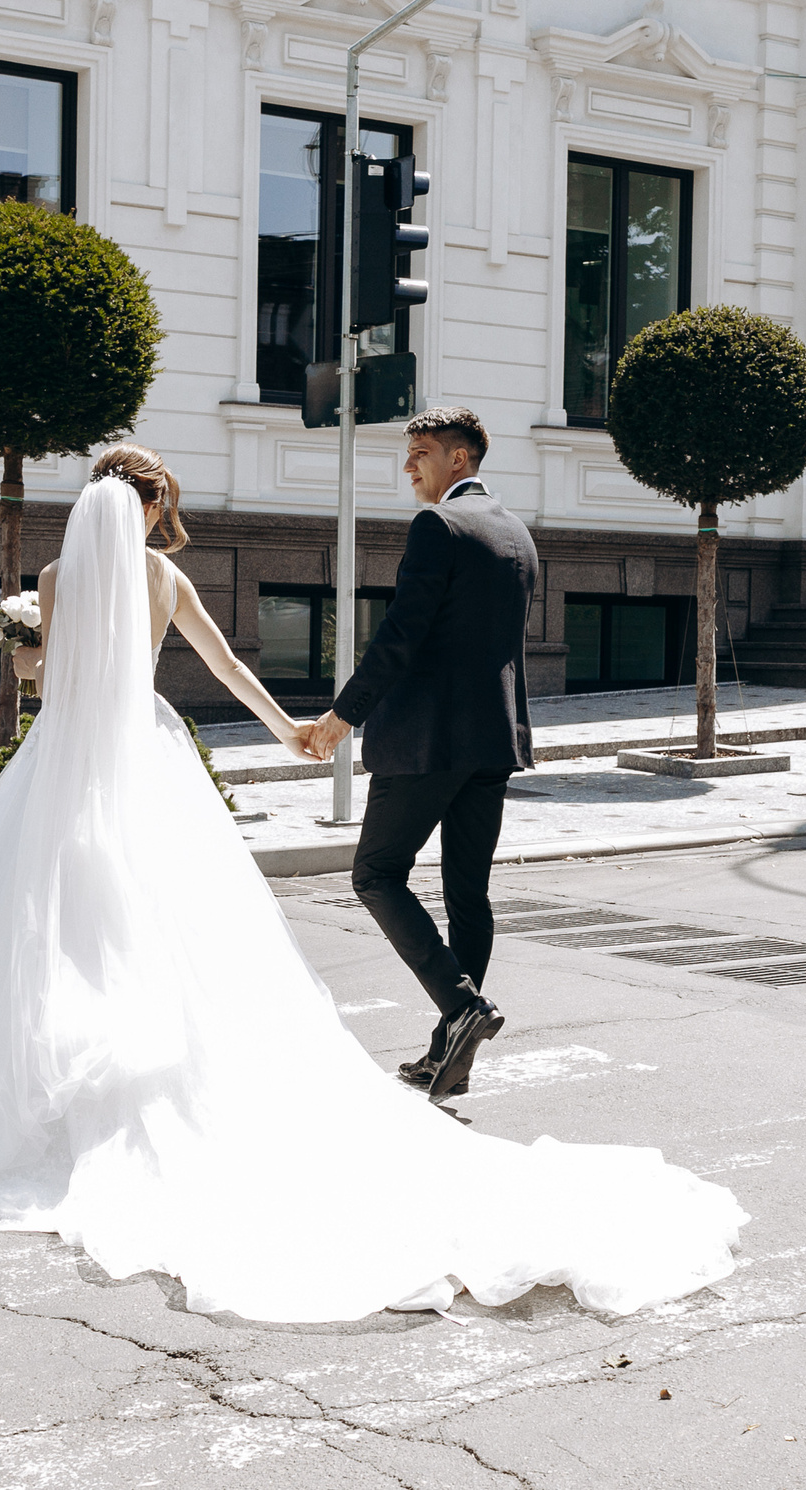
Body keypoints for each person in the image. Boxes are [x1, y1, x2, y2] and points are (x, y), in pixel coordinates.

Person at [0, 443, 744, 1325]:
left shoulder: (51, 580)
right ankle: (173, 1077)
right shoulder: (165, 581)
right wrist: (292, 732)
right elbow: (229, 667)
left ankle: (31, 1097)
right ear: (150, 507)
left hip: (58, 766)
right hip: (144, 761)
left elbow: (45, 681)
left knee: (42, 922)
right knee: (164, 923)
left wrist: (22, 646)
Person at [300, 407, 534, 1103]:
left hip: (429, 740)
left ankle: (462, 1008)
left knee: (375, 873)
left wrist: (343, 715)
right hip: (494, 738)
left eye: (422, 453)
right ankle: (447, 1055)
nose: (410, 466)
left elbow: (402, 635)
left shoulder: (440, 525)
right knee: (469, 894)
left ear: (459, 459)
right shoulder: (515, 530)